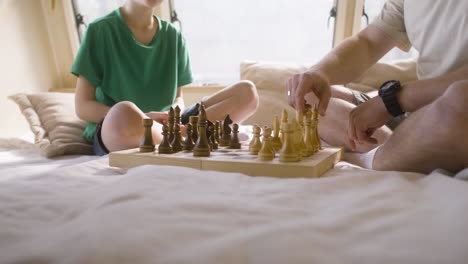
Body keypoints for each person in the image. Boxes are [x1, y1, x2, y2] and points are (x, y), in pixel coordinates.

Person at [285, 0, 468, 174]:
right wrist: (319, 73)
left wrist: (393, 100)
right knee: (311, 97)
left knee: (461, 97)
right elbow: (368, 43)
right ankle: (401, 153)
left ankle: (376, 159)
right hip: (415, 116)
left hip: (453, 112)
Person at [71, 0, 258, 156]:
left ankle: (184, 138)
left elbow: (178, 98)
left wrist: (173, 115)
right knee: (123, 112)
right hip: (121, 126)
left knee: (247, 92)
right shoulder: (99, 31)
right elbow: (83, 107)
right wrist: (144, 118)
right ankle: (190, 138)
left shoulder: (174, 35)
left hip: (170, 124)